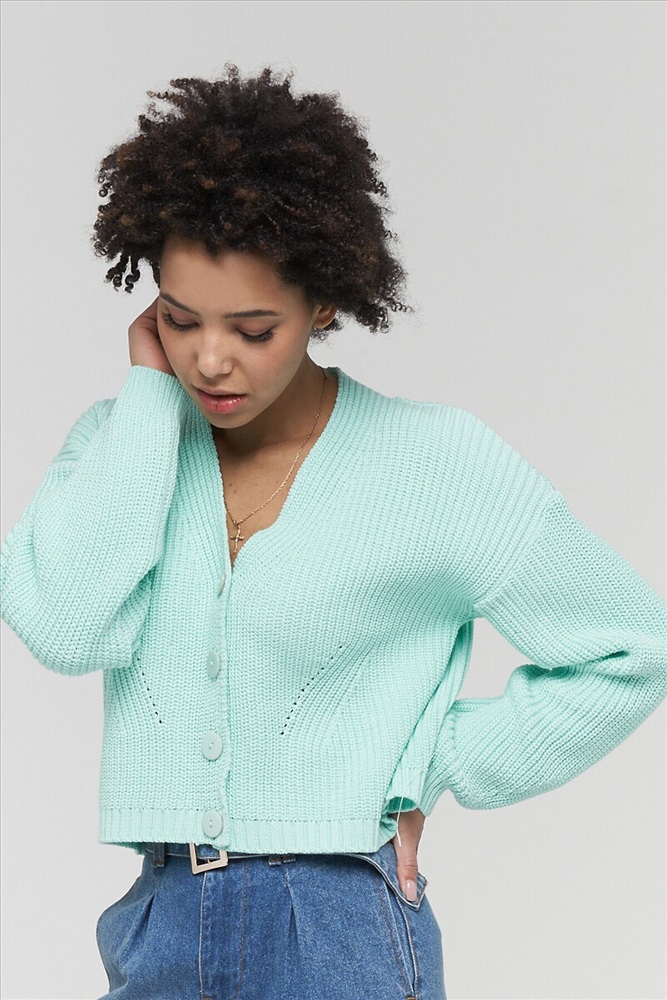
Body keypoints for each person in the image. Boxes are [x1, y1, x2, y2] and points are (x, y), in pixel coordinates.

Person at [1, 64, 665, 1000]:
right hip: (162, 914)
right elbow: (67, 629)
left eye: (253, 329)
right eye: (180, 322)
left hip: (339, 921)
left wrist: (431, 763)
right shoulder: (124, 447)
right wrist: (147, 398)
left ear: (323, 304)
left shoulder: (434, 462)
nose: (209, 359)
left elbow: (631, 646)